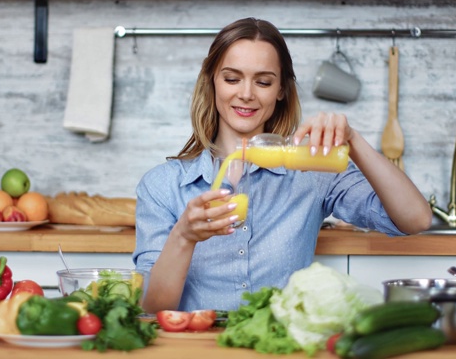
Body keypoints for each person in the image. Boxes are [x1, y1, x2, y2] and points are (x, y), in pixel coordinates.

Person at [133, 17, 432, 313]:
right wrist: (184, 236)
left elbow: (415, 219)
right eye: (232, 78)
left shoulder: (312, 173)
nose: (247, 93)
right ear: (212, 81)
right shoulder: (162, 186)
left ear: (281, 90)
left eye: (263, 81)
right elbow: (152, 307)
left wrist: (353, 140)